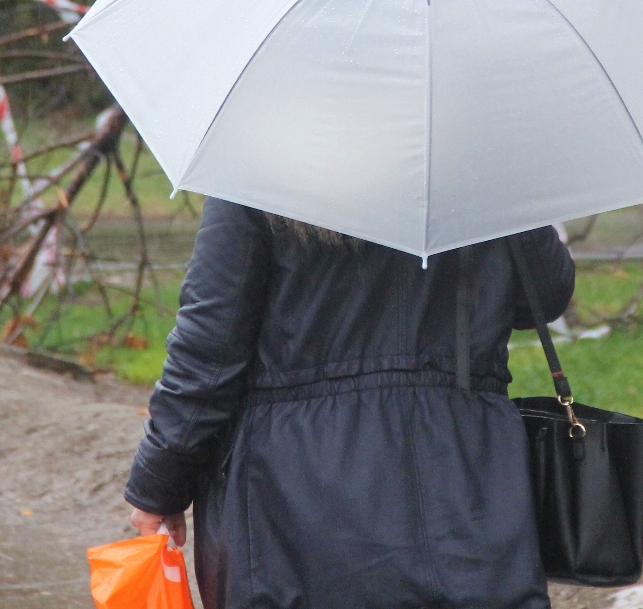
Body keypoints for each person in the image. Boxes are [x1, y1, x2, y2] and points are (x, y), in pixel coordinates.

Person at [122, 197, 575, 609]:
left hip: (298, 494)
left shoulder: (258, 165)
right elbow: (542, 298)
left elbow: (210, 347)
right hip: (465, 482)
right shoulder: (476, 155)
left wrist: (158, 486)